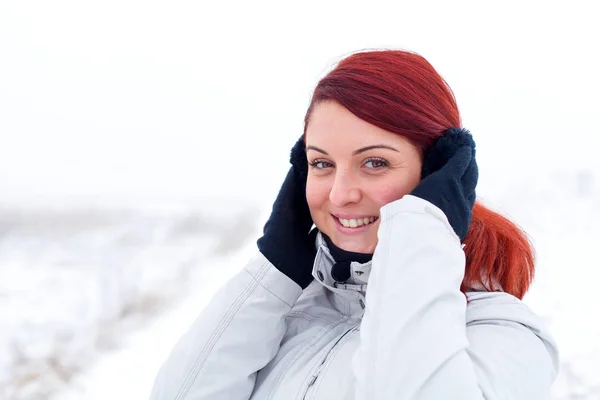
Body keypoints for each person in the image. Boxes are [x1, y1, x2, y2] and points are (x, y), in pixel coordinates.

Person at [149, 50, 559, 399]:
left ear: (437, 173)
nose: (341, 194)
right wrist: (275, 268)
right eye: (322, 163)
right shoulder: (283, 313)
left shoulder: (505, 335)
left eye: (374, 162)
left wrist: (420, 231)